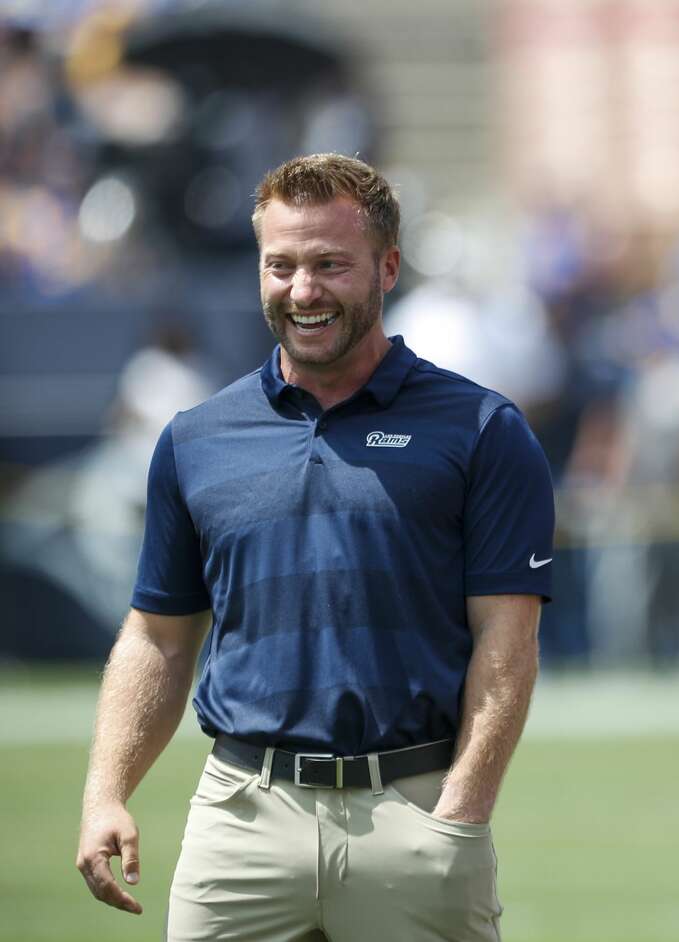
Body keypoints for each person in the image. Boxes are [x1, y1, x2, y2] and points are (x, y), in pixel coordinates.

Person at [76, 153, 555, 941]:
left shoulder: (482, 430)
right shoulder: (196, 439)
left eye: (331, 264)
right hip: (239, 819)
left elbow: (507, 640)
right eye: (282, 265)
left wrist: (462, 812)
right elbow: (158, 640)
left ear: (388, 267)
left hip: (416, 810)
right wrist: (105, 793)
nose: (304, 290)